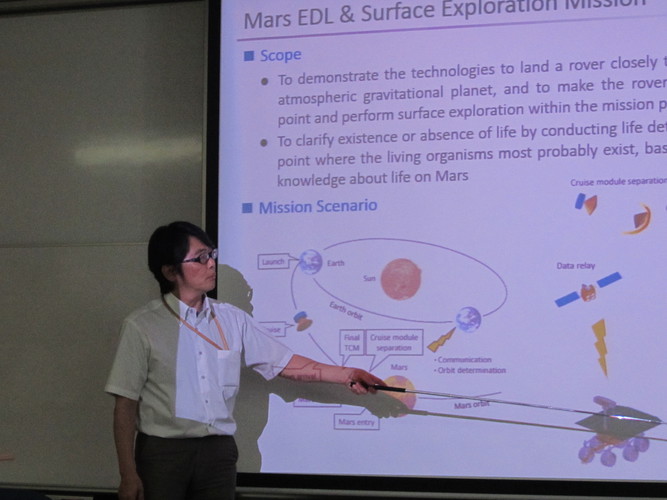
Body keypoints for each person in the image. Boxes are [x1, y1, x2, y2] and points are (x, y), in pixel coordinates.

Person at [105, 221, 385, 500]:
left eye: (212, 255)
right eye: (200, 258)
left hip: (218, 452)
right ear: (169, 271)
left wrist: (348, 373)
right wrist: (128, 474)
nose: (211, 264)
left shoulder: (232, 318)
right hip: (163, 452)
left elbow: (285, 363)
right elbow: (125, 404)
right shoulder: (142, 326)